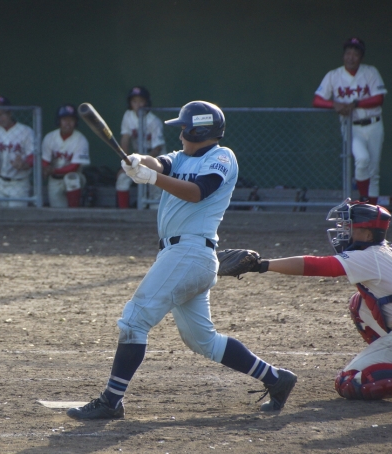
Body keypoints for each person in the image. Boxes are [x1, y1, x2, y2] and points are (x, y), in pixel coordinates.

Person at [67, 101, 297, 420]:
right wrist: (138, 161)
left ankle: (111, 401)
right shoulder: (180, 157)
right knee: (204, 341)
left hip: (190, 252)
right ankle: (276, 378)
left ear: (198, 130)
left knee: (134, 320)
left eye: (184, 129)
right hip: (181, 256)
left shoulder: (222, 156)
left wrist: (151, 178)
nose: (180, 135)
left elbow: (197, 191)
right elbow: (159, 163)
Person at [246, 199, 392, 400]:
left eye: (350, 227)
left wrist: (262, 265)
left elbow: (316, 266)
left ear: (368, 235)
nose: (344, 232)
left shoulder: (369, 257)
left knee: (349, 381)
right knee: (359, 304)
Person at [313, 38, 387, 204]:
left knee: (374, 170)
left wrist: (355, 104)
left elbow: (379, 99)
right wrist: (334, 104)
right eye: (348, 53)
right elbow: (317, 100)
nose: (351, 57)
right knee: (362, 159)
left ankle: (371, 210)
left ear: (361, 57)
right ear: (343, 55)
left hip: (374, 124)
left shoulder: (370, 72)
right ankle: (364, 200)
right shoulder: (334, 75)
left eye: (355, 54)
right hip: (351, 127)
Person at [116, 86, 166, 209]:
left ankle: (153, 214)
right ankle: (123, 214)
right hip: (137, 156)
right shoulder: (128, 115)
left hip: (155, 158)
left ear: (147, 102)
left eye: (141, 101)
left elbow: (158, 148)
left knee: (154, 187)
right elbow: (125, 139)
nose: (138, 105)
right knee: (122, 178)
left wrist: (143, 161)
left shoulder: (154, 121)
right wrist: (125, 162)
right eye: (134, 101)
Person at [41, 104, 91, 208]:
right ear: (59, 121)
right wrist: (45, 169)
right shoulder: (50, 137)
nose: (68, 123)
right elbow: (45, 160)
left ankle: (74, 211)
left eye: (71, 120)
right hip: (54, 179)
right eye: (64, 119)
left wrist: (53, 170)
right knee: (58, 211)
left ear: (76, 122)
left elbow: (75, 166)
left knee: (71, 178)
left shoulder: (81, 140)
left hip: (74, 175)